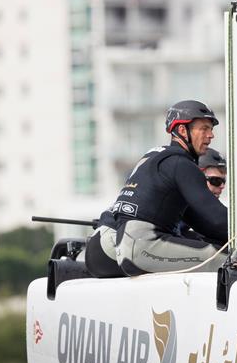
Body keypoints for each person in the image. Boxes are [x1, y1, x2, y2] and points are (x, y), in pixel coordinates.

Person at [84, 100, 229, 277]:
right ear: (183, 130)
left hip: (117, 245)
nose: (211, 135)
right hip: (138, 246)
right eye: (204, 128)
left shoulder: (159, 157)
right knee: (231, 260)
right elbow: (216, 219)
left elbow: (203, 223)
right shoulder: (180, 164)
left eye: (211, 129)